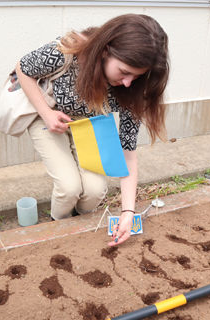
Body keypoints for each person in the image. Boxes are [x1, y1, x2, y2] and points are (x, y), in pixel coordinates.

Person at [16, 14, 169, 247]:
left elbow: (127, 153)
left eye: (136, 76)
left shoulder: (134, 90)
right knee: (69, 188)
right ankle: (58, 227)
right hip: (48, 117)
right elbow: (23, 68)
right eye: (125, 72)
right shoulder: (66, 51)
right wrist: (47, 114)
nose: (129, 82)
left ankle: (79, 225)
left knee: (96, 191)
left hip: (88, 125)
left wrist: (128, 211)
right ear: (106, 51)